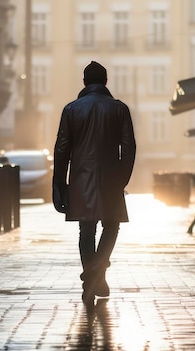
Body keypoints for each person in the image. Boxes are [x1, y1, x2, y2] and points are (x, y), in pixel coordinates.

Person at [53, 61, 136, 304]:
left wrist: (60, 184)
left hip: (80, 179)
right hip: (111, 178)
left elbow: (62, 150)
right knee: (111, 226)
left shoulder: (71, 109)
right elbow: (129, 148)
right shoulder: (119, 109)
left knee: (86, 229)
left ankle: (92, 275)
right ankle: (97, 273)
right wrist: (121, 178)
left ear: (84, 83)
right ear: (106, 82)